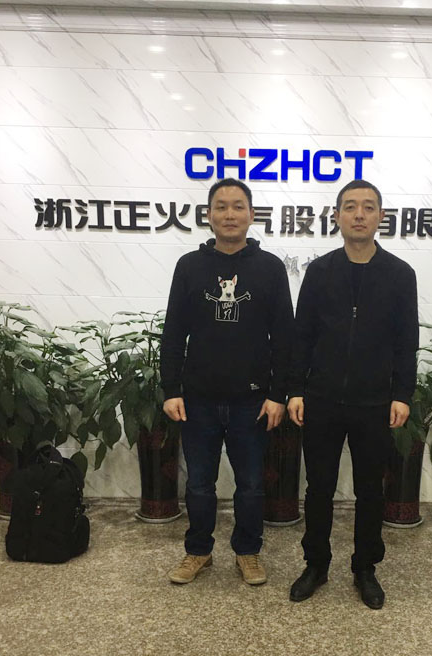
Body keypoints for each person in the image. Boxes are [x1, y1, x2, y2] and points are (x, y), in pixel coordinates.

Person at [287, 179, 419, 609]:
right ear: (337, 216)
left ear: (381, 216)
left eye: (368, 207)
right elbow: (302, 336)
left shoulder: (400, 274)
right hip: (322, 398)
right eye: (350, 206)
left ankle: (365, 568)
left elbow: (406, 341)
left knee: (370, 491)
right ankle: (316, 564)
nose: (359, 214)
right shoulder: (320, 272)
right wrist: (295, 389)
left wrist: (402, 394)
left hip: (375, 402)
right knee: (318, 488)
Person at [160, 178, 294, 586]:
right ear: (208, 215)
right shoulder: (190, 266)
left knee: (251, 486)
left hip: (251, 401)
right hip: (197, 399)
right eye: (221, 206)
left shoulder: (270, 268)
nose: (230, 214)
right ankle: (198, 551)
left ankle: (248, 552)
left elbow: (284, 337)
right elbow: (173, 332)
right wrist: (171, 390)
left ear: (251, 215)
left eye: (238, 206)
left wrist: (278, 395)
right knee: (199, 485)